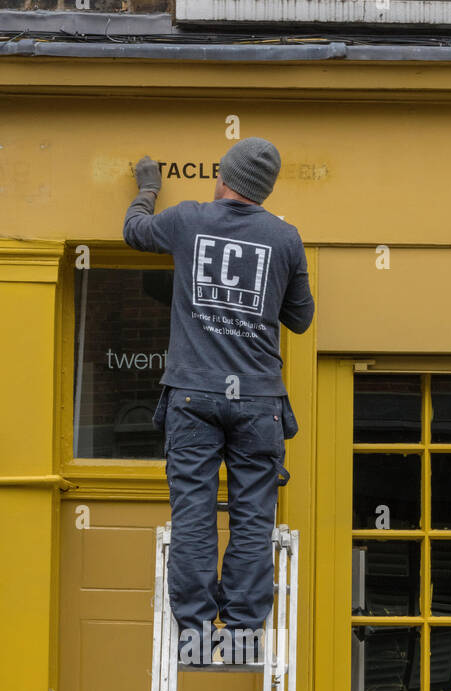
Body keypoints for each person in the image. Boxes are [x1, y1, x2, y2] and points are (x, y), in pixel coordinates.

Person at [123, 137, 314, 663]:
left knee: (193, 511)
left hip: (193, 396)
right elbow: (300, 318)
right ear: (264, 189)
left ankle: (195, 635)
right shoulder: (285, 238)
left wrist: (147, 186)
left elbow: (133, 232)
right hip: (258, 401)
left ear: (224, 177)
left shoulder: (187, 220)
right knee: (254, 516)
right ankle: (245, 633)